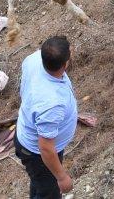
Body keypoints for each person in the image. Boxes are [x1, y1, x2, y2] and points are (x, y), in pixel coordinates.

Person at [15, 36, 78, 198]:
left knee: (40, 183)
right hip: (37, 153)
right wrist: (62, 177)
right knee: (48, 192)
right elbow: (45, 147)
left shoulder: (34, 59)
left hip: (29, 136)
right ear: (65, 64)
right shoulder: (52, 103)